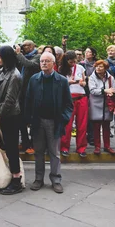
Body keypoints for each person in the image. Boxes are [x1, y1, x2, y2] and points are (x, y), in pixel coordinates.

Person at [25, 52, 73, 193]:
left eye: (47, 61)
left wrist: (63, 119)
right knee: (38, 152)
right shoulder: (34, 79)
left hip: (54, 121)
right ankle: (38, 179)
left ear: (53, 63)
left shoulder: (62, 80)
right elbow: (28, 101)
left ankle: (56, 179)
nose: (44, 63)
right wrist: (28, 119)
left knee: (54, 153)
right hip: (38, 121)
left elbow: (68, 104)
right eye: (41, 61)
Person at [0, 46, 23, 195]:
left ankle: (16, 179)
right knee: (7, 147)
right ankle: (10, 176)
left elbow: (10, 99)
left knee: (11, 148)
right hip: (0, 113)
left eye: (0, 56)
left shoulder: (15, 75)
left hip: (10, 116)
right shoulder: (2, 71)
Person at [14, 40, 40, 155]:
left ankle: (33, 144)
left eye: (26, 46)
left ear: (32, 46)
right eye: (23, 46)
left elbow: (29, 65)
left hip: (33, 93)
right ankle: (25, 142)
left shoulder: (38, 56)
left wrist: (19, 54)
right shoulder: (22, 57)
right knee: (21, 119)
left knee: (33, 119)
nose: (24, 47)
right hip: (22, 92)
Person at [59, 51, 88, 157]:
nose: (73, 63)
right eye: (70, 62)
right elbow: (59, 84)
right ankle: (64, 147)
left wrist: (82, 83)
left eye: (74, 61)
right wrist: (69, 82)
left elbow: (84, 82)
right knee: (67, 124)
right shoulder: (62, 69)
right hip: (69, 98)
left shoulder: (80, 68)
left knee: (82, 124)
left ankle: (81, 148)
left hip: (81, 97)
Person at [89, 60, 115, 155]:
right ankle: (97, 146)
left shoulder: (110, 78)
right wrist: (105, 90)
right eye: (97, 66)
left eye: (100, 66)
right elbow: (92, 90)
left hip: (107, 104)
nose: (98, 68)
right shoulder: (92, 78)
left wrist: (112, 92)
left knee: (107, 127)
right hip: (96, 104)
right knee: (96, 127)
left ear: (105, 68)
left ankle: (107, 146)